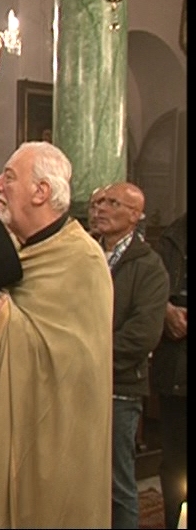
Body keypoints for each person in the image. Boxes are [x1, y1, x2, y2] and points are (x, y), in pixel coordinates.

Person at [0, 141, 113, 527]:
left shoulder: (83, 260)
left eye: (9, 177)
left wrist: (5, 321)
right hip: (8, 421)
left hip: (57, 440)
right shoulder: (20, 248)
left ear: (41, 191)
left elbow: (77, 363)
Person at [93, 182, 170, 529]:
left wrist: (88, 353)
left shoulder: (149, 266)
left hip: (119, 387)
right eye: (99, 202)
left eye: (113, 203)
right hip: (77, 383)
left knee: (117, 483)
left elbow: (143, 335)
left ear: (135, 215)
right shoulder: (85, 254)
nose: (101, 209)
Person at [151, 211, 187, 529]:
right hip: (175, 368)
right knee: (175, 461)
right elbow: (152, 289)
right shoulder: (172, 236)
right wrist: (164, 311)